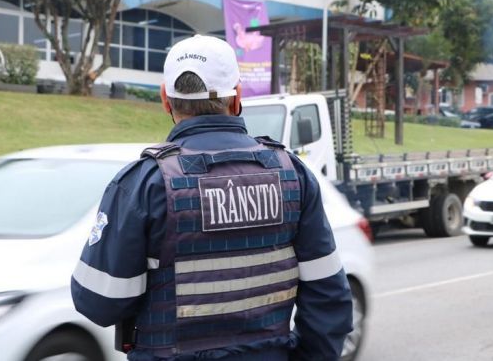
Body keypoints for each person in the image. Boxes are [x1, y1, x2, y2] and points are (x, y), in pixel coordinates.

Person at [71, 35, 353, 361]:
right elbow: (329, 297)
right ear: (237, 99)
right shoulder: (294, 176)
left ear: (166, 99)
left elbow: (98, 302)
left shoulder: (143, 186)